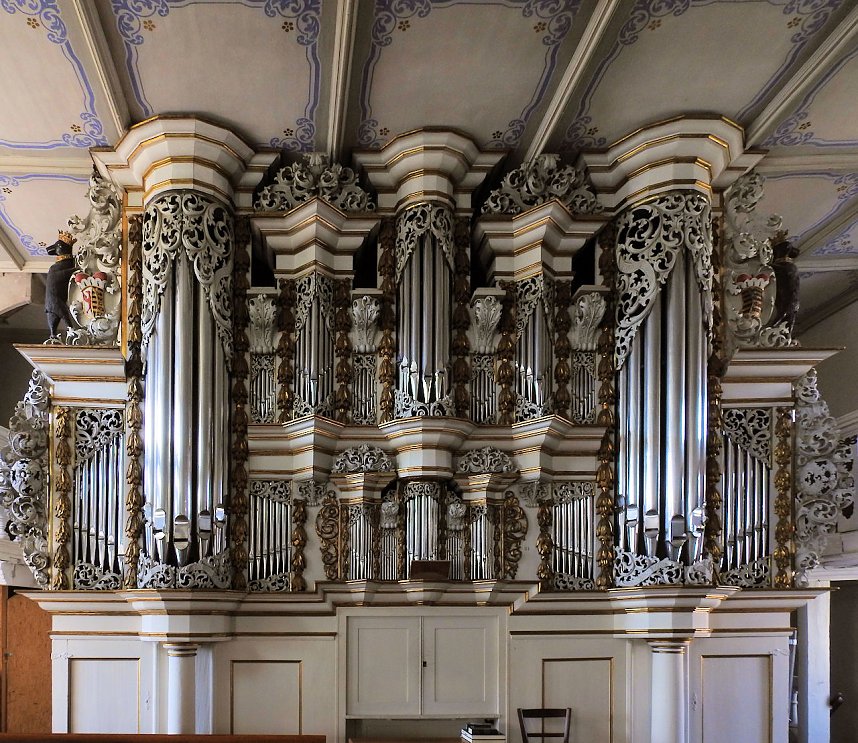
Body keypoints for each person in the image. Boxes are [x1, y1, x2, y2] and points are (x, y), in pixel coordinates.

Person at [44, 230, 77, 340]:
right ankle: (69, 330)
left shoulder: (62, 264)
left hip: (53, 301)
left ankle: (58, 333)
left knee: (62, 315)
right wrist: (74, 270)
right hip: (53, 300)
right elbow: (59, 276)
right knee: (64, 314)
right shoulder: (54, 268)